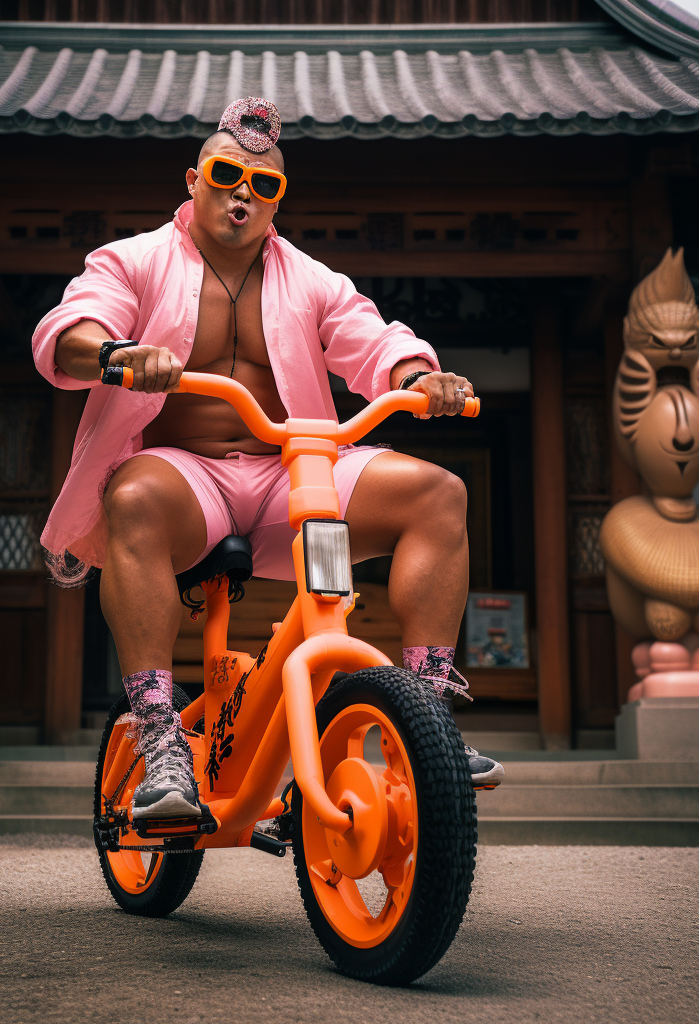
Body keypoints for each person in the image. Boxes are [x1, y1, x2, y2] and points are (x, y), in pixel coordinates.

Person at [33, 98, 504, 820]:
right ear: (194, 180)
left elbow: (372, 341)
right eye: (226, 174)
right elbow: (71, 329)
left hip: (296, 473)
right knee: (130, 496)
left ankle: (430, 717)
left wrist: (417, 377)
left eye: (265, 184)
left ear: (278, 199)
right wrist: (116, 353)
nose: (243, 192)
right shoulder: (133, 260)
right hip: (187, 477)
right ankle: (161, 740)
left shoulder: (311, 278)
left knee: (438, 492)